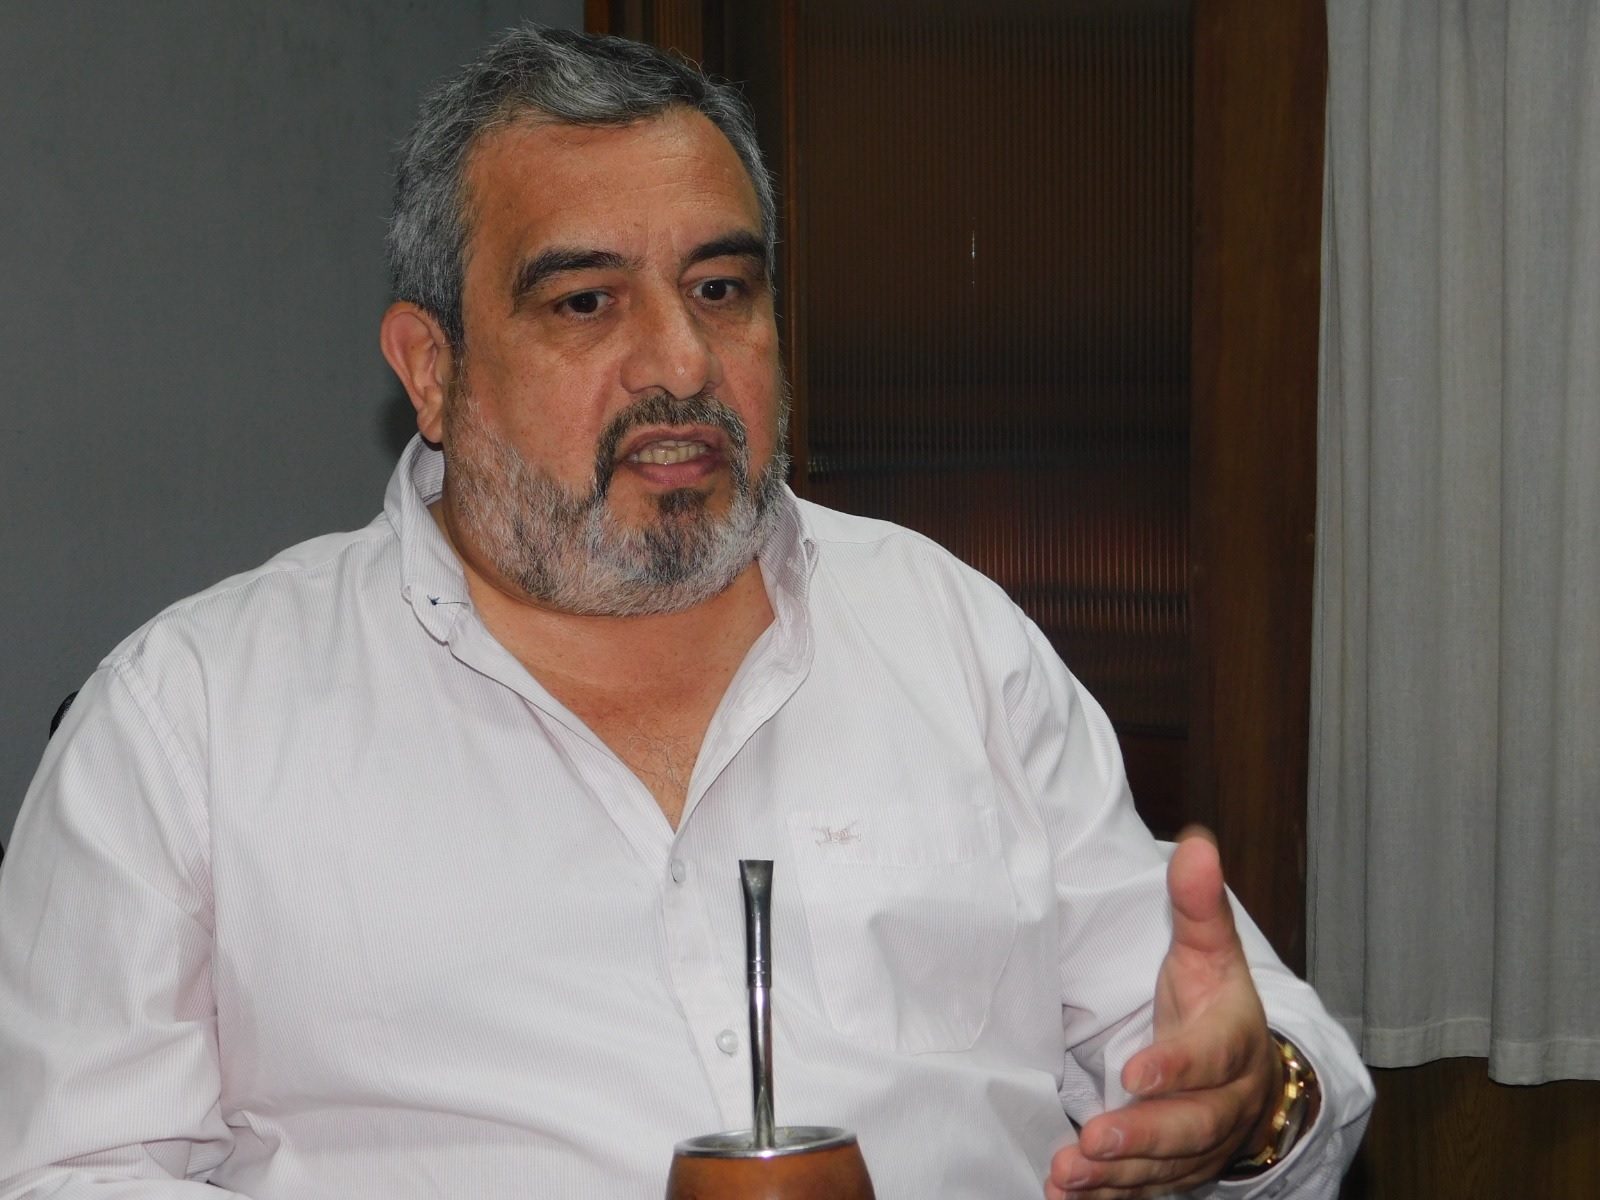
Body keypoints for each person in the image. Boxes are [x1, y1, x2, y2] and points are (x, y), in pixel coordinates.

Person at [0, 25, 1372, 1200]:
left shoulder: (948, 633)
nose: (679, 362)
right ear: (432, 369)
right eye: (586, 302)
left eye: (722, 290)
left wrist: (1252, 1102)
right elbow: (67, 1169)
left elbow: (1229, 1050)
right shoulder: (188, 722)